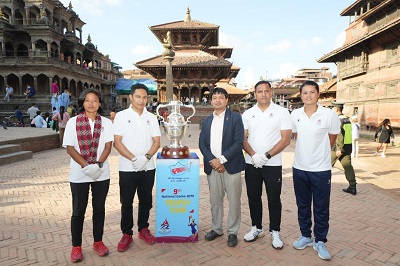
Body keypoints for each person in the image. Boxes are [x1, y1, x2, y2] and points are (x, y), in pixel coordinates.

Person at [290, 80, 341, 261]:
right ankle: (305, 236)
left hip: (321, 170)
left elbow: (332, 138)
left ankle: (320, 240)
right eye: (305, 93)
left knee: (321, 207)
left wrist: (319, 154)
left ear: (318, 94)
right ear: (301, 95)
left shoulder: (329, 115)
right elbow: (296, 136)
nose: (308, 96)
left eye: (312, 92)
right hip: (299, 168)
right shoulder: (295, 114)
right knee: (302, 205)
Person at [63, 88, 114, 263]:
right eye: (87, 100)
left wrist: (98, 164)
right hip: (79, 172)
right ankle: (76, 246)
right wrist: (86, 165)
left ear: (100, 103)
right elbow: (70, 148)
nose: (91, 103)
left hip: (101, 171)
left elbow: (108, 147)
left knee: (99, 209)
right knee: (78, 211)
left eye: (95, 100)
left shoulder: (106, 122)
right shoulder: (73, 122)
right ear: (82, 102)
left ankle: (98, 242)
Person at [241, 81, 292, 249]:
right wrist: (254, 155)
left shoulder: (282, 112)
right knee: (254, 197)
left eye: (266, 91)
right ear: (254, 94)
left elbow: (285, 139)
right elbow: (242, 138)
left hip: (273, 163)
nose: (263, 94)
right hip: (252, 163)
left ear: (271, 93)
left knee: (273, 198)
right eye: (259, 91)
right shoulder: (248, 114)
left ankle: (275, 230)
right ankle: (256, 227)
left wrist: (266, 155)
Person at [113, 83, 161, 251]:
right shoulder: (121, 116)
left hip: (148, 167)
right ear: (131, 97)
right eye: (138, 97)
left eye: (144, 97)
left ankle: (143, 229)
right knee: (126, 202)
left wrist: (146, 157)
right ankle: (127, 233)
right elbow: (117, 143)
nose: (141, 100)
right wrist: (134, 159)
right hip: (127, 167)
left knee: (146, 200)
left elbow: (157, 142)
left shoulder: (152, 117)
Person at [199, 87, 246, 248]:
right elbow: (202, 144)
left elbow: (238, 142)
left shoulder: (235, 118)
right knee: (215, 200)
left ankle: (232, 231)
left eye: (221, 97)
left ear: (227, 100)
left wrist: (222, 160)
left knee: (234, 201)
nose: (217, 100)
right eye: (214, 97)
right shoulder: (206, 121)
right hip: (212, 167)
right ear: (210, 101)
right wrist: (213, 160)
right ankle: (216, 228)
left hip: (231, 166)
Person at [331, 102, 357, 195]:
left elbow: (339, 135)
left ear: (336, 109)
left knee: (325, 165)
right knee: (347, 166)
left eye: (332, 108)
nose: (331, 110)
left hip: (337, 148)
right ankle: (352, 186)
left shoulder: (337, 120)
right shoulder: (347, 119)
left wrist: (339, 148)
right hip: (347, 147)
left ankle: (320, 185)